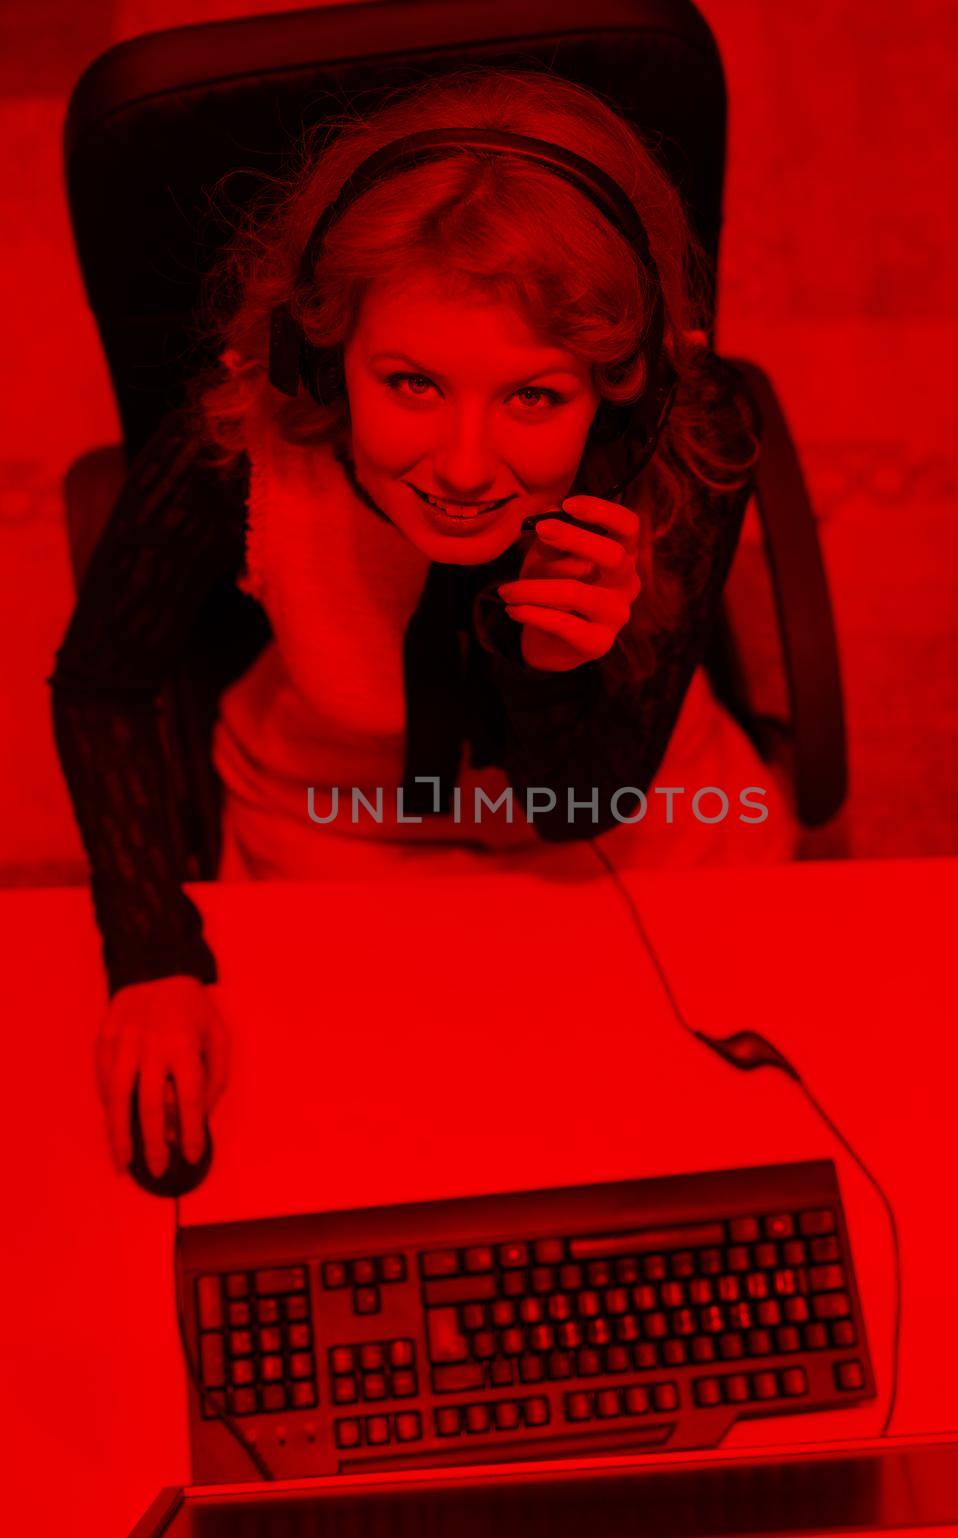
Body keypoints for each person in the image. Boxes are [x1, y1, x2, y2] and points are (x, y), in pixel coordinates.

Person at [49, 67, 790, 1184]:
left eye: (534, 397)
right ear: (323, 352)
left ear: (618, 402)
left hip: (626, 833)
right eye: (409, 383)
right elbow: (105, 683)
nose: (461, 468)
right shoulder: (241, 437)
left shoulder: (682, 443)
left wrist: (554, 663)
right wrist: (151, 953)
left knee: (684, 1164)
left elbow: (575, 803)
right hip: (326, 836)